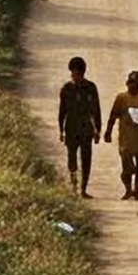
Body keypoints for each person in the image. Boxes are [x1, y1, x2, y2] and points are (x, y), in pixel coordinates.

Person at [104, 68, 138, 198]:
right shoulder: (121, 98)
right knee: (127, 168)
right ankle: (128, 189)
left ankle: (137, 190)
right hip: (126, 138)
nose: (131, 85)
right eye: (130, 82)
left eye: (135, 83)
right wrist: (108, 132)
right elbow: (113, 116)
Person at [57, 56, 102, 195]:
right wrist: (61, 131)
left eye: (76, 73)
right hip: (70, 128)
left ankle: (83, 189)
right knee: (72, 158)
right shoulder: (66, 89)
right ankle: (74, 186)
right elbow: (62, 112)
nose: (73, 76)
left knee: (86, 159)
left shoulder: (90, 88)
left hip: (86, 129)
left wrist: (97, 130)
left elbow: (96, 110)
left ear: (82, 73)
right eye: (72, 73)